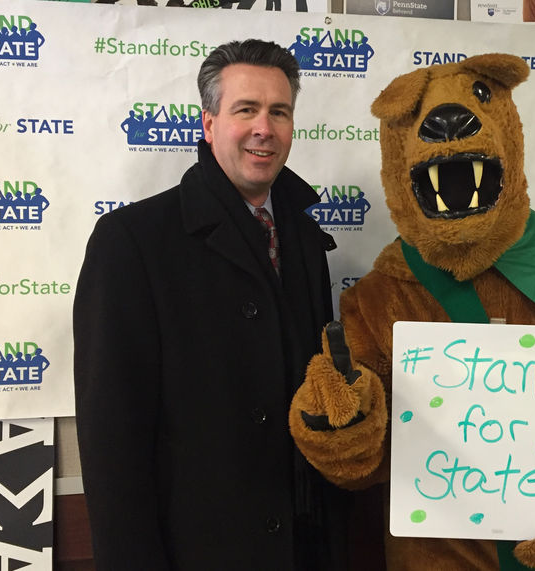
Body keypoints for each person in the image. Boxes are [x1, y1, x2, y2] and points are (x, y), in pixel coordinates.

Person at [73, 39, 346, 570]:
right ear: (209, 124)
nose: (264, 128)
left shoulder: (308, 240)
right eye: (245, 109)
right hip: (193, 549)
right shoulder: (131, 240)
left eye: (279, 112)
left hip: (299, 545)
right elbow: (112, 440)